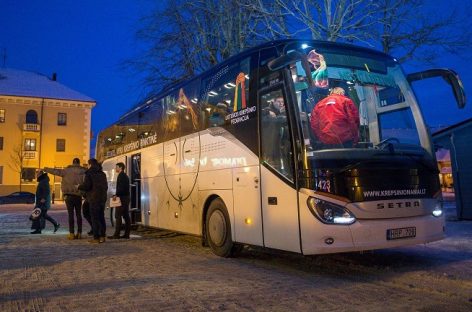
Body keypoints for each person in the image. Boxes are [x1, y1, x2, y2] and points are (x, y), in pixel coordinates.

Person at [44, 158, 86, 240]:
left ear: (72, 162)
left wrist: (46, 169)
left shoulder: (66, 170)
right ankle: (80, 233)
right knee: (78, 214)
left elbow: (55, 171)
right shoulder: (83, 171)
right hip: (78, 195)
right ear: (79, 163)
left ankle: (71, 233)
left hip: (68, 195)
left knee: (71, 215)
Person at [78, 158, 108, 244]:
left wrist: (79, 186)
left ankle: (96, 238)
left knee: (94, 218)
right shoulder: (102, 174)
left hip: (93, 198)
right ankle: (102, 236)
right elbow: (105, 186)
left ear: (90, 164)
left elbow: (87, 186)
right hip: (102, 198)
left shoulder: (89, 173)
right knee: (101, 217)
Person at [108, 162, 131, 239]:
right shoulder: (124, 176)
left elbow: (121, 188)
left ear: (120, 168)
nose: (115, 169)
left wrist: (116, 195)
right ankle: (126, 234)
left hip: (122, 198)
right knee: (125, 216)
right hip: (125, 197)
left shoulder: (121, 176)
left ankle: (117, 234)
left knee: (118, 216)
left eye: (117, 167)